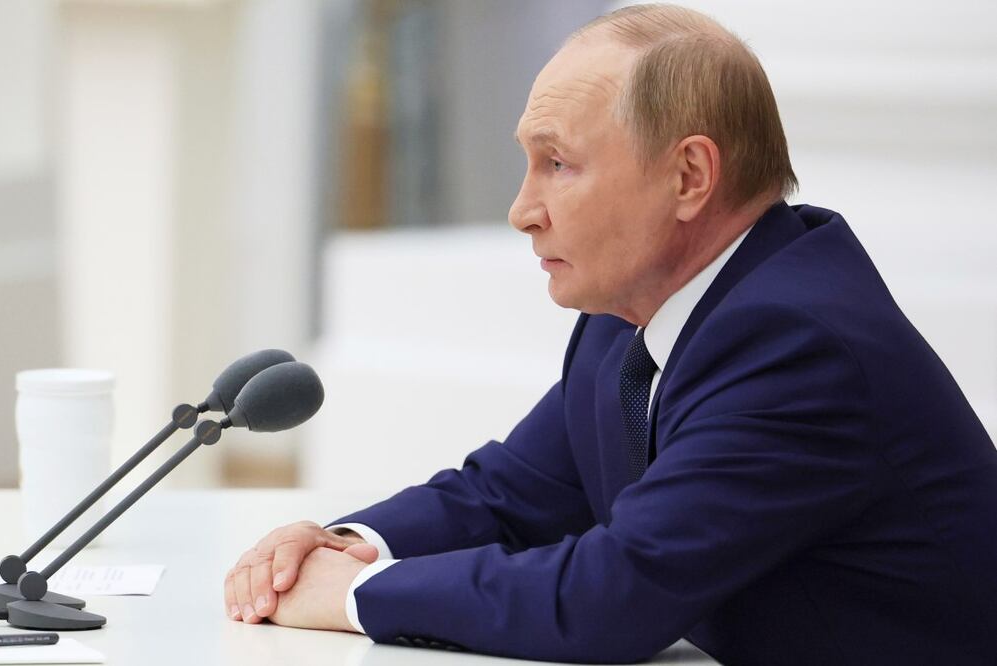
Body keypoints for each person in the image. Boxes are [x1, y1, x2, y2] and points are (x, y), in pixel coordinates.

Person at [224, 5, 997, 664]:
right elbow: (507, 495)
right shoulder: (636, 313)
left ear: (689, 177)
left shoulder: (795, 343)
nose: (521, 209)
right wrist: (342, 545)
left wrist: (357, 595)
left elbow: (612, 597)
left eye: (557, 164)